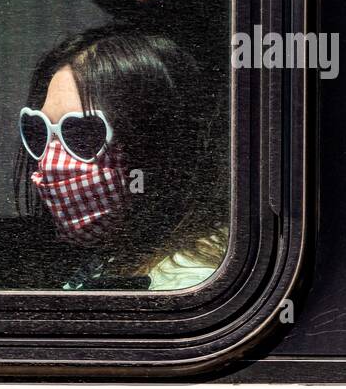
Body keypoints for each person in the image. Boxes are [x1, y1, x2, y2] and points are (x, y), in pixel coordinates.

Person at [12, 26, 227, 290]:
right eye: (37, 130)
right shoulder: (117, 259)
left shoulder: (190, 286)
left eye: (82, 133)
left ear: (157, 142)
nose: (50, 161)